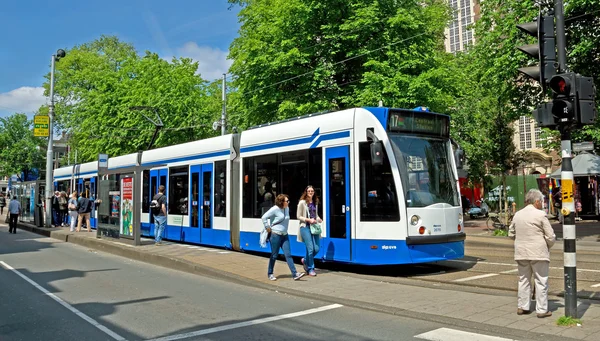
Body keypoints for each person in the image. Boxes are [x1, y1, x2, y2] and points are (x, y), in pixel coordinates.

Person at [508, 189, 556, 318]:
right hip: (538, 253)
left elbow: (511, 233)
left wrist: (521, 241)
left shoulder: (517, 214)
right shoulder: (540, 215)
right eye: (541, 201)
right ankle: (541, 310)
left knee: (523, 280)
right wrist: (547, 245)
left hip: (521, 252)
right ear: (536, 201)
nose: (542, 203)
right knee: (541, 281)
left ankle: (523, 307)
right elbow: (550, 236)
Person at [262, 194, 305, 281]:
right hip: (275, 235)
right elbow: (264, 217)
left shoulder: (287, 208)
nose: (288, 202)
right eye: (287, 201)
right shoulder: (274, 209)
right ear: (281, 202)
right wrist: (267, 227)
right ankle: (270, 273)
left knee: (288, 255)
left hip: (284, 235)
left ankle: (295, 274)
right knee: (274, 255)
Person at [297, 186, 322, 276]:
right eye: (309, 191)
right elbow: (298, 216)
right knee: (310, 249)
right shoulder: (302, 202)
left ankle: (305, 260)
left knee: (317, 248)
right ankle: (310, 268)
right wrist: (309, 220)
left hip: (314, 227)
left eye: (312, 191)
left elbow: (315, 214)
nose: (311, 192)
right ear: (306, 192)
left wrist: (318, 218)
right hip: (305, 227)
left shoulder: (315, 202)